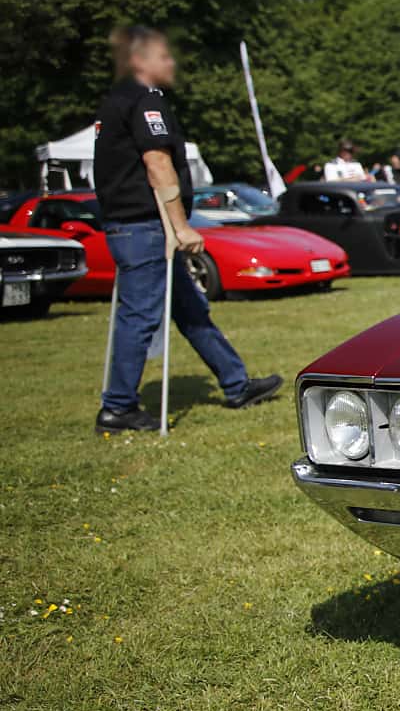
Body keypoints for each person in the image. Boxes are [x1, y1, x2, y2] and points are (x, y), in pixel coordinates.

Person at [92, 26, 280, 433]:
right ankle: (118, 407)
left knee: (192, 311)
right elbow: (158, 165)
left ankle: (236, 384)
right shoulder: (144, 100)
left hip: (135, 224)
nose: (171, 63)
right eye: (164, 56)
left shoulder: (116, 100)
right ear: (141, 60)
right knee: (140, 316)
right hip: (144, 225)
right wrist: (181, 227)